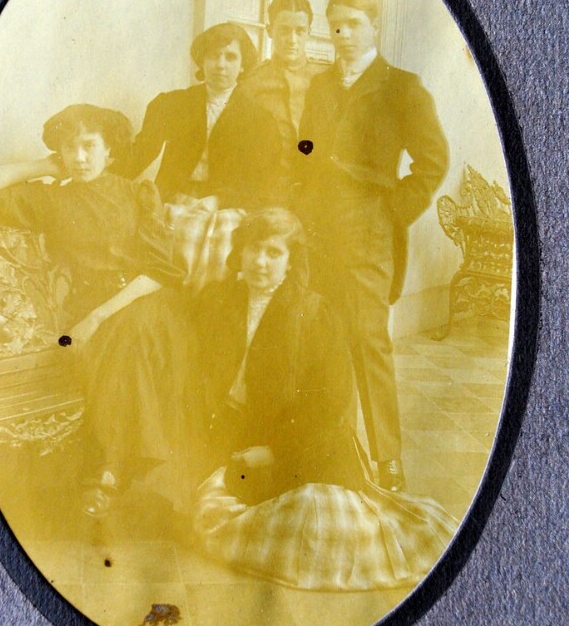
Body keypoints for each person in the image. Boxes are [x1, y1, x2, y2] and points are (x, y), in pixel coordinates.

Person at [192, 209, 455, 591]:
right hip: (237, 425)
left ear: (291, 261)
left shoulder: (314, 312)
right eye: (253, 249)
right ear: (240, 252)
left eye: (273, 252)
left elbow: (329, 406)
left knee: (319, 513)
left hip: (295, 438)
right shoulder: (220, 300)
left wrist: (273, 451)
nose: (260, 262)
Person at [0, 103, 193, 517]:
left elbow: (161, 271)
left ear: (110, 151)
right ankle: (129, 471)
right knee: (119, 341)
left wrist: (97, 318)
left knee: (130, 333)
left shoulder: (137, 193)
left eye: (89, 146)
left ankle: (108, 471)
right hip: (88, 302)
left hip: (143, 298)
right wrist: (43, 166)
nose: (80, 157)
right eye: (70, 148)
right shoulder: (51, 200)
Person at [298, 0, 449, 493]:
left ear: (374, 28)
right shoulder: (320, 85)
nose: (343, 34)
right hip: (318, 227)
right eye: (335, 25)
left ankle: (387, 457)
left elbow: (432, 162)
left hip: (368, 227)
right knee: (323, 333)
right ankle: (332, 446)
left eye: (354, 24)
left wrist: (391, 211)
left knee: (368, 338)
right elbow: (304, 146)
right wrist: (302, 188)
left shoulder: (402, 87)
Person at [110, 22, 283, 210]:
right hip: (173, 199)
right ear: (202, 61)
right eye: (213, 56)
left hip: (224, 206)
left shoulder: (259, 120)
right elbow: (140, 154)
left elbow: (259, 182)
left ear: (243, 65)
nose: (221, 65)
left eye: (230, 57)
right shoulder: (174, 104)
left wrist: (220, 200)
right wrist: (101, 179)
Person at [238, 0, 324, 187]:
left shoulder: (326, 80)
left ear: (309, 32)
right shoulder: (251, 82)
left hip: (316, 188)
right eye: (284, 30)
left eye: (300, 31)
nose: (292, 40)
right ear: (270, 30)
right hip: (268, 188)